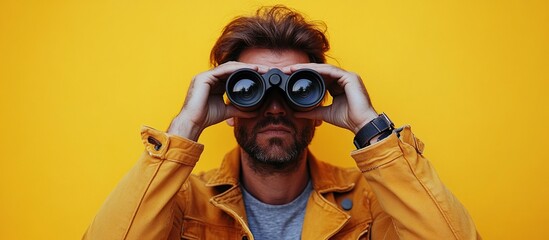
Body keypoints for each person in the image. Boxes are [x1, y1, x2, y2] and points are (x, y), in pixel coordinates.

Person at [83, 5, 480, 240]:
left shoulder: (373, 201)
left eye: (299, 87)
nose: (275, 108)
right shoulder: (183, 202)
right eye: (250, 89)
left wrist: (370, 127)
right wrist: (185, 126)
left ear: (322, 102)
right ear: (227, 105)